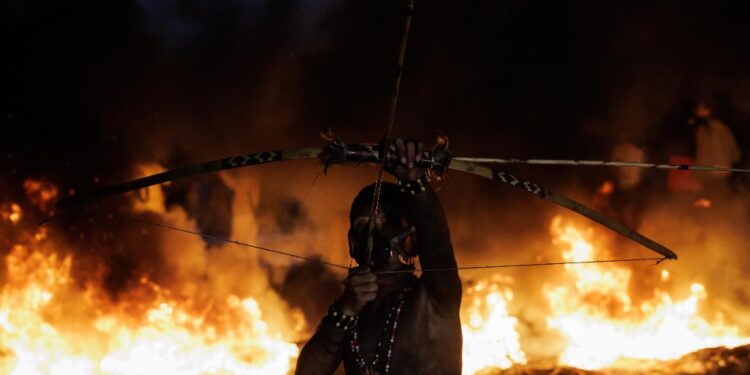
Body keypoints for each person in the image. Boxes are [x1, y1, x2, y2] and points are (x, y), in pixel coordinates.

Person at [295, 138, 462, 375]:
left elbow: (438, 248)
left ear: (410, 239)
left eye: (387, 224)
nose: (374, 235)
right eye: (364, 226)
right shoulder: (351, 314)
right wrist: (343, 310)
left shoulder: (434, 299)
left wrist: (415, 181)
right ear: (352, 243)